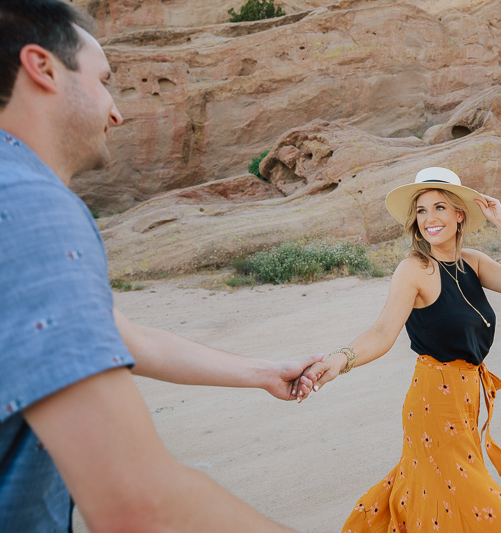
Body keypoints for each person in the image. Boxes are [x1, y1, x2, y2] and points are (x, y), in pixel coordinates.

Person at [0, 1, 320, 531]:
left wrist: (263, 373)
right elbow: (138, 504)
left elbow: (129, 339)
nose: (117, 112)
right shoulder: (31, 208)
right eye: (104, 81)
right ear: (43, 67)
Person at [300, 167, 501, 531]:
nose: (429, 219)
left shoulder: (472, 263)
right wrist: (341, 358)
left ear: (458, 214)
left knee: (443, 496)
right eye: (421, 210)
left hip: (467, 401)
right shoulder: (414, 269)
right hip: (433, 402)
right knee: (472, 499)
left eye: (439, 208)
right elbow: (383, 330)